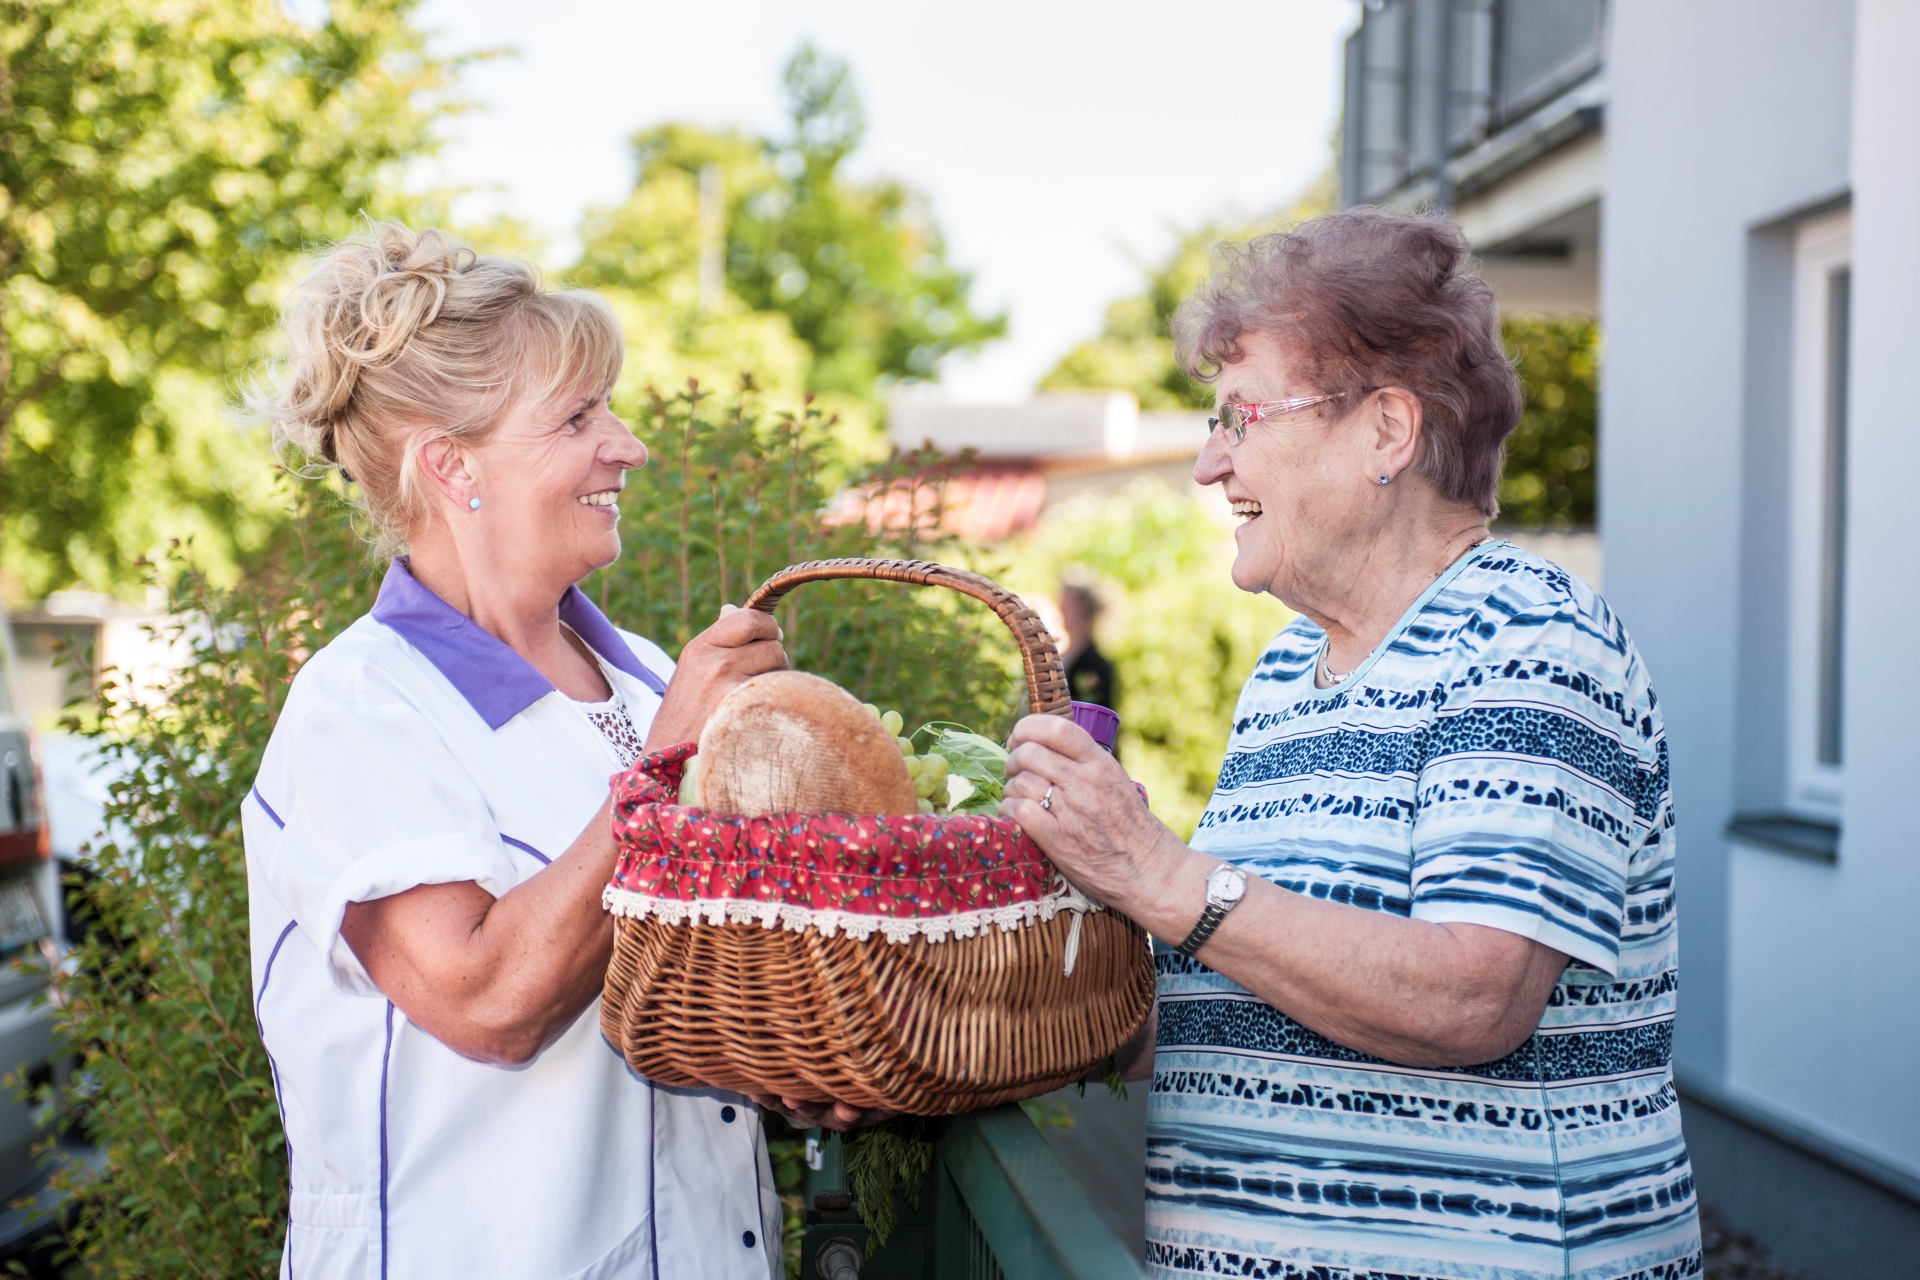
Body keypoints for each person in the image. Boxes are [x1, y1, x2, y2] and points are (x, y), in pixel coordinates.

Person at [1001, 208, 1701, 1280]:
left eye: (1241, 416)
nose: (1207, 463)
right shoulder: (1288, 674)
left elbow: (1473, 996)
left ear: (1387, 431)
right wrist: (989, 1008)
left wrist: (1152, 867)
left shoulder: (1528, 638)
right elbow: (1232, 992)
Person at [243, 220, 789, 1278]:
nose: (627, 444)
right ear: (453, 467)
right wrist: (669, 762)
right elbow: (490, 1000)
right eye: (580, 416)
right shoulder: (358, 709)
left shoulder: (635, 668)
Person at [1059, 581, 1118, 712]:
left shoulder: (1096, 665)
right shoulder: (1063, 656)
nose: (1061, 607)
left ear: (1083, 610)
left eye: (1068, 603)